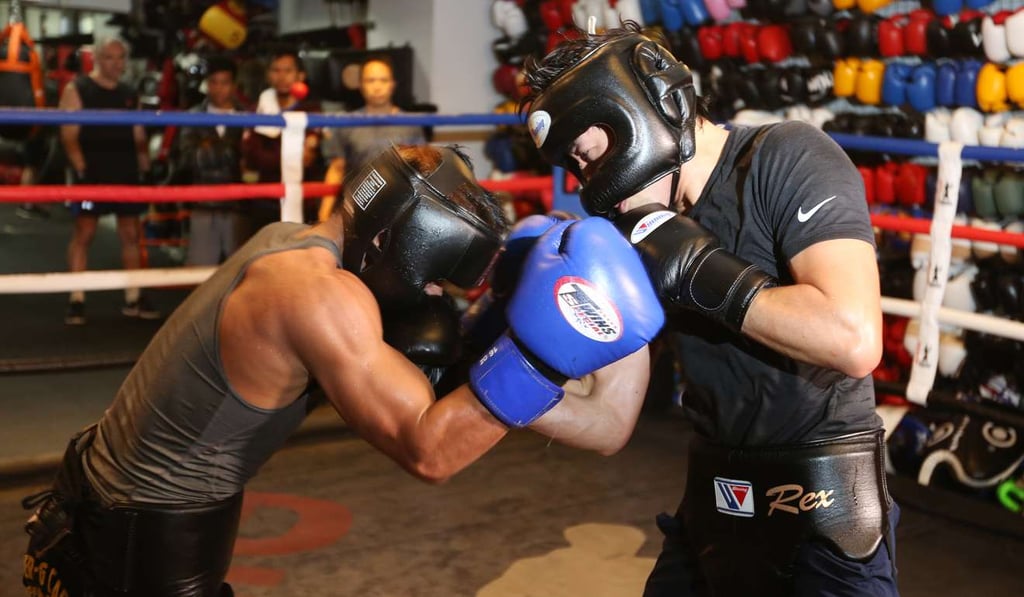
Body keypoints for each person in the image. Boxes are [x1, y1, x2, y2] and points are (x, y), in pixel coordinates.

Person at [21, 143, 665, 597]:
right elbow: (431, 453)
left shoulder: (292, 243)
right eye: (435, 278)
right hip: (136, 541)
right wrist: (541, 350)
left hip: (107, 506)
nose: (436, 297)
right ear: (390, 243)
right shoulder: (322, 298)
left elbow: (592, 427)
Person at [520, 22, 896, 597]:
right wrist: (487, 380)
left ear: (643, 114)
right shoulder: (637, 232)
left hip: (823, 510)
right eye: (576, 169)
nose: (592, 187)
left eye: (592, 158)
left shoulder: (787, 157)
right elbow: (608, 422)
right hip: (715, 501)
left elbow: (853, 339)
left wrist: (703, 272)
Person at [59, 36, 158, 325]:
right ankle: (76, 298)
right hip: (92, 174)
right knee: (84, 234)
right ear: (98, 59)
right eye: (110, 57)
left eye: (121, 58)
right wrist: (81, 169)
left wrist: (146, 169)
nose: (117, 64)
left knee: (130, 235)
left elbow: (138, 133)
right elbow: (69, 134)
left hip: (125, 172)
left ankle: (133, 295)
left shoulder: (129, 93)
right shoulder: (78, 88)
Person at [317, 56, 426, 222]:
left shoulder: (410, 123)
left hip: (400, 210)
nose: (377, 86)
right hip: (356, 208)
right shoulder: (346, 123)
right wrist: (323, 215)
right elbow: (336, 168)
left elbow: (422, 169)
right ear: (360, 85)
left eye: (383, 80)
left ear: (392, 85)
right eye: (371, 80)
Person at [172, 55, 246, 266]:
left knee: (240, 272)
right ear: (207, 84)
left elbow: (250, 159)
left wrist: (208, 146)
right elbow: (189, 159)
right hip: (203, 200)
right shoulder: (193, 116)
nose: (219, 88)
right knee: (201, 272)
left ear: (233, 85)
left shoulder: (248, 115)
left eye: (224, 82)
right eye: (214, 82)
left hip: (238, 203)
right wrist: (231, 151)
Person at [241, 48, 321, 235]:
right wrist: (287, 157)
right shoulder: (257, 110)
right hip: (265, 199)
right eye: (276, 70)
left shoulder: (312, 111)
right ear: (269, 75)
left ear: (301, 75)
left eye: (288, 70)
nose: (282, 76)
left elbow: (307, 161)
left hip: (303, 198)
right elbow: (251, 157)